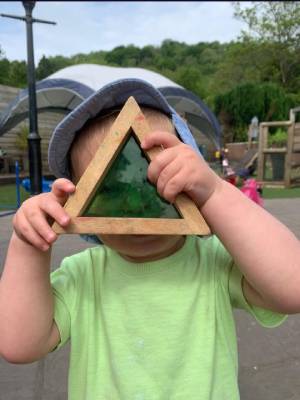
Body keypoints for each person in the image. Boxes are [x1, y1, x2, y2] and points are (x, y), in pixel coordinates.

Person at [1, 79, 300, 400]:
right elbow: (19, 344)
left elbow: (292, 286)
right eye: (113, 190)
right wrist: (29, 245)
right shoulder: (82, 275)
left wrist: (215, 193)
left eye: (155, 184)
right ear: (80, 200)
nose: (135, 207)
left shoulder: (214, 261)